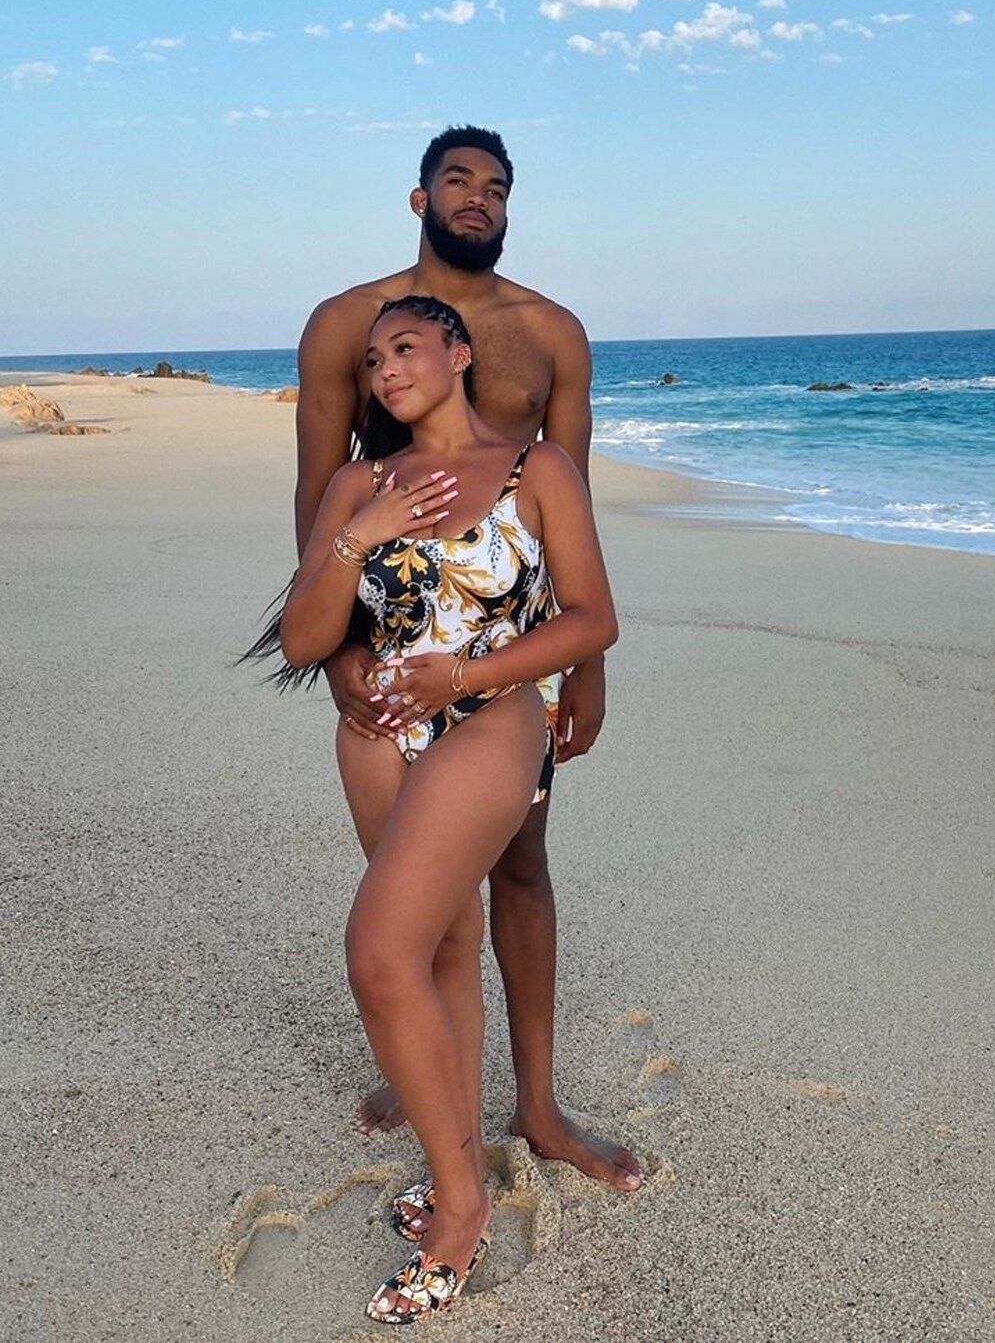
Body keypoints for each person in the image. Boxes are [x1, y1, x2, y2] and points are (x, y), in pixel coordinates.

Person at [294, 125, 642, 1197]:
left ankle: (537, 1105)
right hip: (395, 649)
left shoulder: (550, 333)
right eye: (457, 181)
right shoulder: (350, 325)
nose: (477, 199)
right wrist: (338, 647)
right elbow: (320, 491)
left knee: (522, 866)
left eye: (496, 186)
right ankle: (432, 1059)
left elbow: (569, 501)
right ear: (420, 198)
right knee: (422, 881)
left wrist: (584, 668)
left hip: (510, 659)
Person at [279, 294, 619, 1322]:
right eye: (372, 359)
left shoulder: (535, 470)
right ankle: (454, 1161)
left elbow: (593, 617)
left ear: (460, 351)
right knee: (438, 949)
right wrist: (361, 535)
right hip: (378, 731)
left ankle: (464, 1208)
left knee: (377, 950)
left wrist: (462, 678)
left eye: (407, 347)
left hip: (491, 715)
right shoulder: (360, 483)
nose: (385, 368)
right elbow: (303, 641)